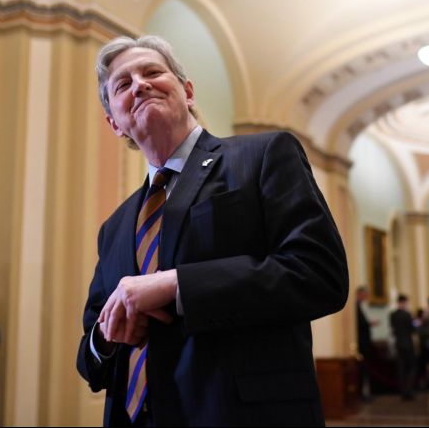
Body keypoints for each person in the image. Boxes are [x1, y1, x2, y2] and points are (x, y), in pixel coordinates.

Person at [75, 35, 348, 426]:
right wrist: (105, 338)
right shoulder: (114, 227)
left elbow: (319, 275)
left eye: (153, 71)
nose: (139, 84)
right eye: (123, 84)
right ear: (114, 123)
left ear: (187, 92)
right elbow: (90, 360)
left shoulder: (263, 155)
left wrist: (176, 284)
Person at [389, 294, 416, 400]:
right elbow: (412, 329)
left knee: (401, 368)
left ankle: (403, 391)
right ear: (404, 302)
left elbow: (392, 328)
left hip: (398, 343)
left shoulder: (393, 315)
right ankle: (409, 390)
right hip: (408, 343)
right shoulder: (407, 315)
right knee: (410, 367)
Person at [356, 285, 378, 401]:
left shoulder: (359, 306)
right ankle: (362, 394)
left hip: (364, 343)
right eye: (366, 294)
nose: (367, 297)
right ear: (360, 294)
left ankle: (365, 393)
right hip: (361, 344)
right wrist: (370, 324)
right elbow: (361, 324)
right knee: (362, 370)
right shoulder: (355, 306)